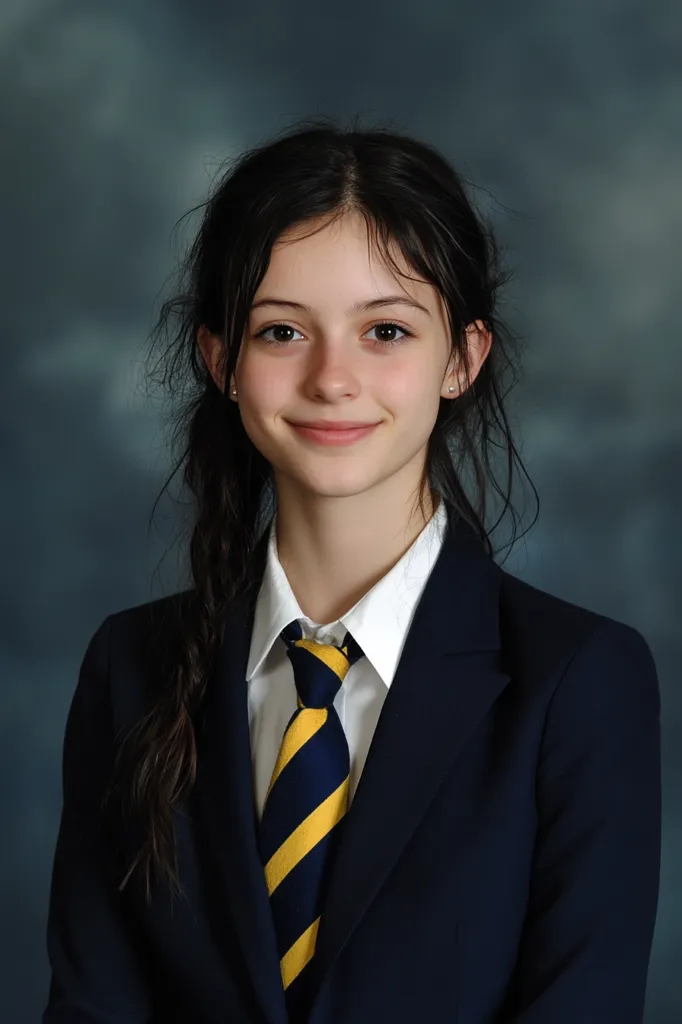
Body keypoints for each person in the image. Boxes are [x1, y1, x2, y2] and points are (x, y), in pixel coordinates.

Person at [42, 117, 662, 1024]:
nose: (333, 378)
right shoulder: (128, 669)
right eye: (283, 331)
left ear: (462, 357)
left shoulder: (579, 682)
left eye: (386, 330)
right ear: (220, 359)